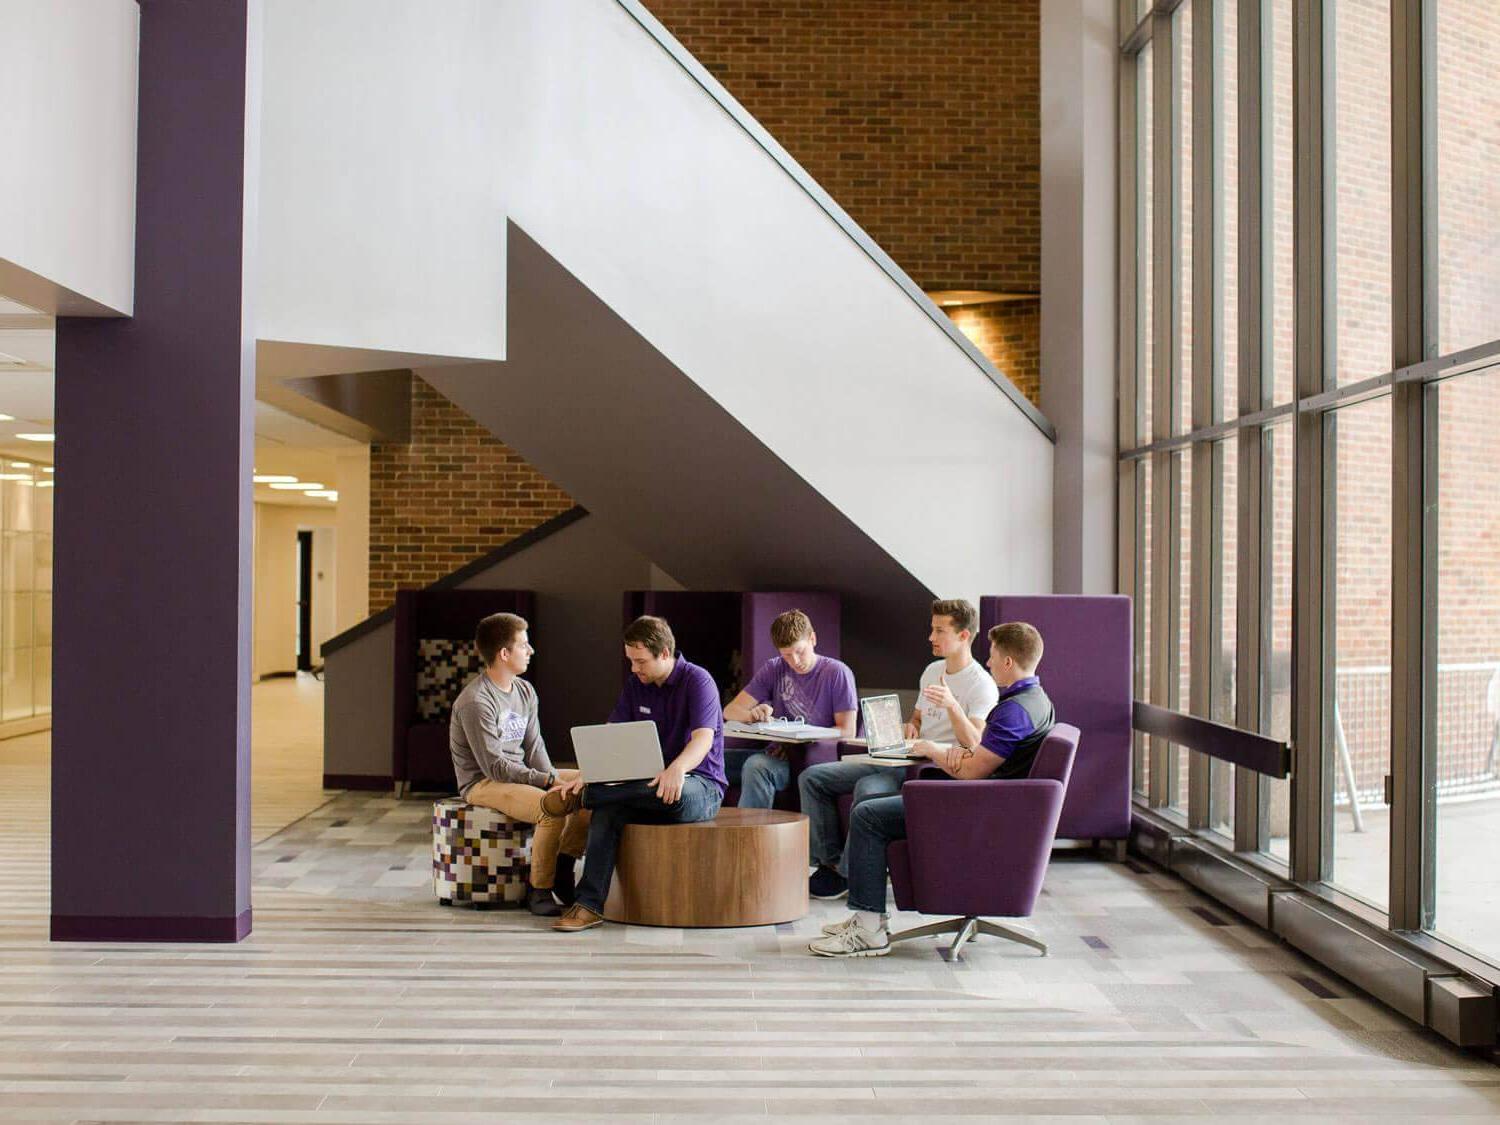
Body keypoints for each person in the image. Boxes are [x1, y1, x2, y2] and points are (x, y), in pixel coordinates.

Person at [808, 621, 1056, 958]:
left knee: (867, 816)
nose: (989, 662)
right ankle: (866, 919)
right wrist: (960, 755)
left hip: (979, 809)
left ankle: (869, 930)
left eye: (994, 655)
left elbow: (970, 772)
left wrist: (933, 749)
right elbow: (982, 759)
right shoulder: (1037, 701)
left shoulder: (1015, 711)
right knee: (870, 804)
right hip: (995, 804)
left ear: (1009, 662)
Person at [798, 599, 999, 900]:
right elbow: (918, 716)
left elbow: (974, 742)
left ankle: (849, 874)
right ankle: (829, 866)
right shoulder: (932, 671)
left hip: (930, 768)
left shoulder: (981, 684)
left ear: (963, 636)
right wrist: (911, 726)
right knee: (812, 778)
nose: (931, 637)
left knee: (867, 787)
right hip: (903, 756)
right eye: (932, 629)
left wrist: (952, 705)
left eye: (939, 631)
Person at [550, 615, 727, 932]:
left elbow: (703, 739)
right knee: (607, 808)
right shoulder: (636, 686)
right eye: (630, 661)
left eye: (640, 661)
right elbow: (612, 733)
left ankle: (589, 797)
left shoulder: (699, 681)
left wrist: (677, 769)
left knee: (614, 797)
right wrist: (592, 771)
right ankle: (589, 906)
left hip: (699, 786)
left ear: (664, 653)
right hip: (644, 787)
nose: (634, 669)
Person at [449, 612, 589, 917]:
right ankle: (539, 890)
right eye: (524, 645)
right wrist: (548, 783)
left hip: (518, 773)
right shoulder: (475, 701)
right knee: (550, 806)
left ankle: (563, 870)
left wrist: (552, 776)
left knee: (590, 781)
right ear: (504, 653)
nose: (531, 650)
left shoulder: (525, 691)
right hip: (483, 783)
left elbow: (534, 746)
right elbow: (495, 767)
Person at [722, 609, 858, 808]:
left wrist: (799, 740)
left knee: (756, 766)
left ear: (813, 639)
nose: (795, 662)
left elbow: (848, 730)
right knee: (709, 758)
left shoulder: (837, 673)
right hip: (775, 754)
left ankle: (751, 838)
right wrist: (753, 715)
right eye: (786, 655)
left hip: (810, 759)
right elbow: (730, 711)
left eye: (799, 652)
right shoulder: (774, 668)